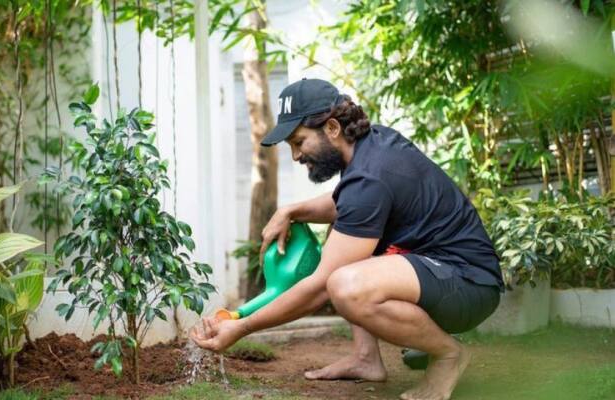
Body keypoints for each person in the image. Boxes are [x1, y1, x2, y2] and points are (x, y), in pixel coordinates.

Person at [190, 78, 504, 400]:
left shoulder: (370, 176)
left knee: (344, 285)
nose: (296, 156)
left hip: (468, 284)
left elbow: (320, 287)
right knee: (342, 236)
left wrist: (241, 327)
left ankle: (449, 354)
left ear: (332, 128)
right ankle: (366, 358)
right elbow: (348, 204)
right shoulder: (371, 146)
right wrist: (292, 210)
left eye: (299, 142)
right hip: (448, 273)